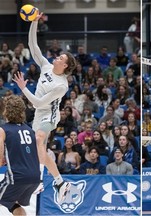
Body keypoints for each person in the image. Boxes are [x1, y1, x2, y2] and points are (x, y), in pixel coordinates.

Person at [13, 10, 77, 203]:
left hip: (49, 113)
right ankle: (59, 182)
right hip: (40, 113)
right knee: (38, 146)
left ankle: (39, 181)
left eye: (60, 59)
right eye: (58, 57)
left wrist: (23, 88)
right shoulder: (47, 67)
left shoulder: (61, 85)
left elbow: (39, 103)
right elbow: (33, 46)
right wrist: (34, 21)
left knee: (39, 139)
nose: (56, 58)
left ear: (65, 66)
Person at [0, 95, 40, 215]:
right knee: (12, 204)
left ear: (6, 110)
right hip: (35, 178)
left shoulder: (3, 130)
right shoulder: (30, 131)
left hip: (17, 177)